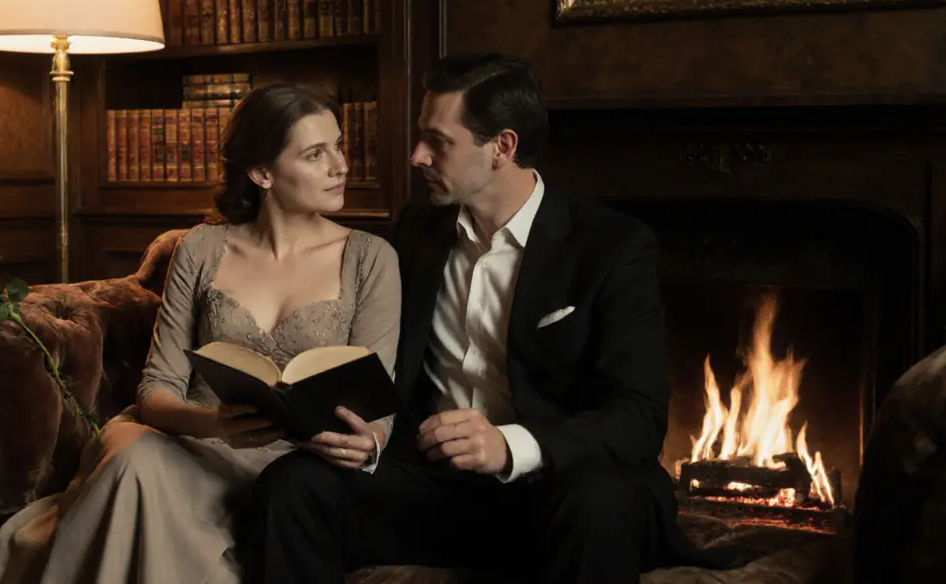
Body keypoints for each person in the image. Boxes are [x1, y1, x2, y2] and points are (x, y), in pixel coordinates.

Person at [244, 53, 716, 583]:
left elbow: (639, 417)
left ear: (503, 147)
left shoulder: (611, 246)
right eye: (420, 136)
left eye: (438, 142)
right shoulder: (416, 234)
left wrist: (511, 445)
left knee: (598, 501)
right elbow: (376, 357)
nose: (417, 155)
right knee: (293, 485)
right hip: (437, 487)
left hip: (559, 486)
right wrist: (364, 434)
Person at [0, 82, 401, 584]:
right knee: (134, 458)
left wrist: (369, 440)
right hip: (186, 442)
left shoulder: (372, 257)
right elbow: (154, 392)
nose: (340, 165)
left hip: (292, 471)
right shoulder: (200, 249)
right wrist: (218, 424)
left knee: (144, 468)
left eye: (340, 146)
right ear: (262, 173)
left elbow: (378, 400)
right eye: (315, 154)